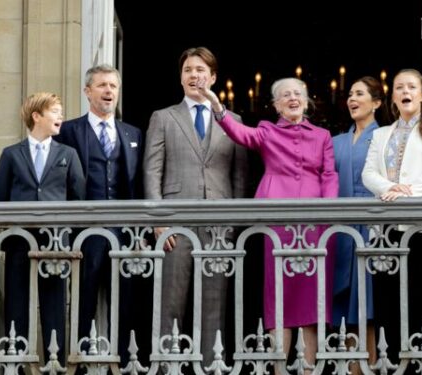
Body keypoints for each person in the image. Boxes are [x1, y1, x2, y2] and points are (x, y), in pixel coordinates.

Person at [198, 76, 338, 373]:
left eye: (298, 93)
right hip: (278, 221)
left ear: (307, 99)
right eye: (285, 95)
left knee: (312, 302)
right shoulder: (267, 131)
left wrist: (330, 208)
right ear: (276, 104)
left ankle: (309, 369)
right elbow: (240, 133)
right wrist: (216, 106)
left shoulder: (322, 135)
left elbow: (329, 174)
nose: (292, 98)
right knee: (280, 300)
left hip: (316, 222)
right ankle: (277, 369)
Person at [142, 46, 247, 366]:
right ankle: (165, 367)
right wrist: (157, 220)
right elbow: (152, 170)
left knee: (214, 304)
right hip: (175, 223)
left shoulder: (234, 120)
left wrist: (234, 225)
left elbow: (240, 176)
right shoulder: (163, 117)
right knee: (170, 301)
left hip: (218, 225)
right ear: (180, 77)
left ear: (213, 77)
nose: (194, 76)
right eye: (188, 70)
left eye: (201, 70)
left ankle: (211, 367)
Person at [361, 69, 422, 368]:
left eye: (411, 86)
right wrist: (391, 189)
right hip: (387, 229)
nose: (405, 91)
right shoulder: (380, 133)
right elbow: (368, 173)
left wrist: (408, 193)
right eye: (399, 87)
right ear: (393, 97)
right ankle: (393, 364)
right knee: (389, 301)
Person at [55, 64, 143, 367]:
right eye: (103, 85)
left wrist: (142, 229)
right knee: (84, 299)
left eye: (113, 86)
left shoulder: (133, 133)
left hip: (123, 230)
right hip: (85, 229)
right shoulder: (67, 131)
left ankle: (123, 363)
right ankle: (79, 364)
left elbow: (140, 184)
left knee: (126, 301)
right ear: (87, 91)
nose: (109, 92)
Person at [0, 92, 86, 367]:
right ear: (37, 116)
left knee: (54, 303)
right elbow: (0, 197)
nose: (61, 117)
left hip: (55, 240)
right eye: (55, 111)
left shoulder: (68, 154)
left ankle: (53, 366)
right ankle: (17, 365)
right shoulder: (11, 154)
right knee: (17, 302)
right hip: (20, 240)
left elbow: (78, 197)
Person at [332, 76, 389, 366]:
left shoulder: (387, 136)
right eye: (350, 94)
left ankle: (366, 369)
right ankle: (348, 367)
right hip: (340, 232)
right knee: (342, 307)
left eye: (360, 94)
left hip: (372, 230)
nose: (352, 99)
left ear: (377, 103)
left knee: (366, 306)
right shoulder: (336, 141)